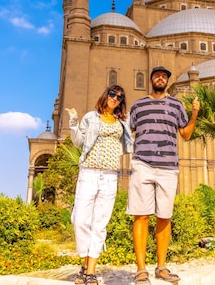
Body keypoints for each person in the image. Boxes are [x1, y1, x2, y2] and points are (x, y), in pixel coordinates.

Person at [126, 66, 200, 284]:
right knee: (141, 215)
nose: (161, 78)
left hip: (168, 166)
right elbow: (128, 133)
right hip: (143, 165)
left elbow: (185, 134)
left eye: (165, 76)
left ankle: (161, 267)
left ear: (168, 81)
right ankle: (141, 269)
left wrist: (195, 113)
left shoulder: (177, 105)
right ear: (151, 79)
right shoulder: (138, 105)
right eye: (157, 75)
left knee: (164, 216)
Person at [66, 84, 134, 285]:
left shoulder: (121, 122)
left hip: (110, 176)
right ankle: (85, 266)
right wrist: (73, 123)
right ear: (106, 95)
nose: (115, 98)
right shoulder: (91, 117)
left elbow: (129, 145)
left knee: (99, 224)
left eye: (119, 97)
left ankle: (90, 271)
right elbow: (78, 142)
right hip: (89, 173)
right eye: (112, 94)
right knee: (80, 221)